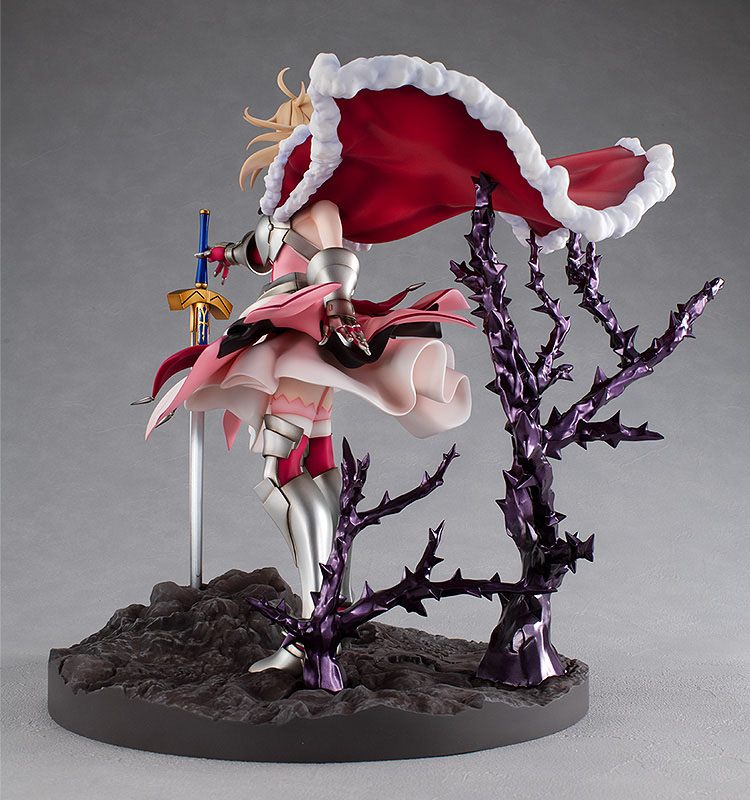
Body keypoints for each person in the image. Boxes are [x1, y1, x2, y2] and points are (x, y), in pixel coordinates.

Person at [146, 54, 676, 674]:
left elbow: (334, 260)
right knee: (316, 469)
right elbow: (259, 249)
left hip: (293, 346)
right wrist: (220, 256)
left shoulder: (317, 207)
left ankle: (313, 630)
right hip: (290, 342)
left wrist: (338, 311)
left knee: (284, 479)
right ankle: (333, 606)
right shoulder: (288, 212)